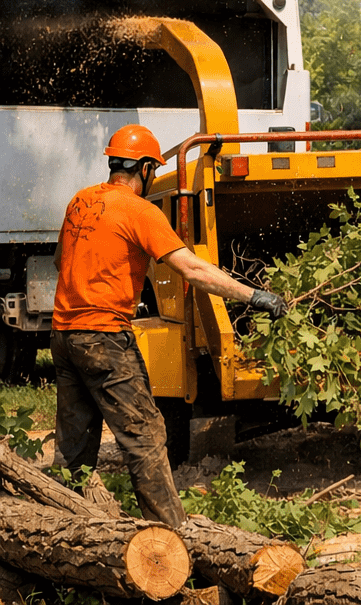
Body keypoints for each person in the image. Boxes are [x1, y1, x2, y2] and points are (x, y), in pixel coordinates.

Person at [51, 123, 286, 527]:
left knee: (75, 447)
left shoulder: (80, 201)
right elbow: (192, 269)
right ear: (144, 169)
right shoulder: (140, 210)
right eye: (153, 171)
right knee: (145, 438)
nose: (154, 177)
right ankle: (170, 539)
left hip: (63, 336)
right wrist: (254, 296)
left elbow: (61, 261)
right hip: (104, 339)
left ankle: (63, 529)